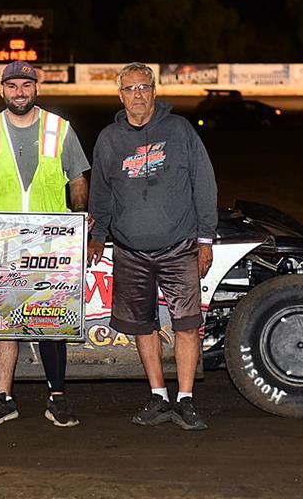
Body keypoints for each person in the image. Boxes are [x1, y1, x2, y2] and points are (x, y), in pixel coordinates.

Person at [87, 62, 217, 431]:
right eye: (130, 89)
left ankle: (187, 398)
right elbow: (101, 193)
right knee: (143, 326)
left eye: (144, 88)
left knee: (187, 324)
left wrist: (205, 239)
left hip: (178, 245)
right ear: (120, 95)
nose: (138, 95)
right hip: (129, 250)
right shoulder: (109, 139)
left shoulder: (179, 130)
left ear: (155, 92)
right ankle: (158, 395)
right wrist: (99, 236)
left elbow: (204, 184)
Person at [0, 61, 90, 428]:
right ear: (1, 90)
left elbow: (77, 177)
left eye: (26, 85)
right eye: (12, 85)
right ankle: (4, 397)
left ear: (36, 88)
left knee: (52, 318)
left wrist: (80, 214)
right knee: (3, 322)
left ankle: (57, 397)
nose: (19, 92)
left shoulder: (60, 128)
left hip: (49, 242)